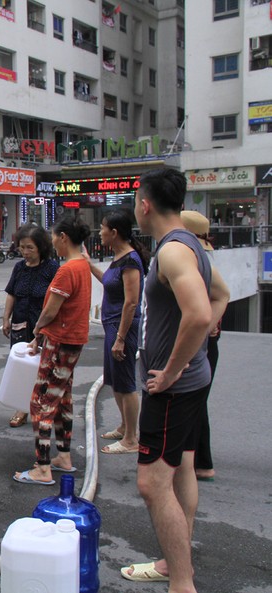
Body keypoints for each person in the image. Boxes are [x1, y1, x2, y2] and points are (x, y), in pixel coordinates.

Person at [120, 169, 229, 590]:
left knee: (151, 483)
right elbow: (219, 297)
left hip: (173, 387)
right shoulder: (191, 246)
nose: (135, 208)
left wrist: (173, 368)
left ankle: (182, 582)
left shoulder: (172, 253)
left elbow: (201, 313)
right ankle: (173, 565)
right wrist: (194, 350)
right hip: (191, 380)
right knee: (182, 467)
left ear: (145, 205)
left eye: (135, 201)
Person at [13, 215, 92, 486]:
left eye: (54, 236)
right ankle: (64, 457)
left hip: (60, 341)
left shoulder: (67, 270)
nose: (53, 242)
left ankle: (43, 467)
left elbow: (50, 310)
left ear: (63, 238)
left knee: (41, 403)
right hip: (72, 339)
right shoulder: (82, 264)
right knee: (63, 400)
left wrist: (37, 332)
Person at [85, 209, 151, 454]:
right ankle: (125, 426)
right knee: (115, 381)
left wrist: (121, 339)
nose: (99, 232)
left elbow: (131, 302)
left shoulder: (131, 260)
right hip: (112, 325)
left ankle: (132, 439)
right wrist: (90, 265)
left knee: (125, 383)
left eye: (102, 228)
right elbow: (110, 284)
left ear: (114, 232)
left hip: (123, 327)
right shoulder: (119, 256)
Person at [1, 224, 59, 428]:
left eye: (30, 248)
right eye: (22, 247)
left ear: (41, 247)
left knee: (44, 369)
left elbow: (56, 300)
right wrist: (6, 318)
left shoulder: (52, 268)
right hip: (20, 323)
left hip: (43, 325)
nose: (25, 252)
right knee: (21, 367)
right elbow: (11, 293)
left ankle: (43, 408)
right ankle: (22, 407)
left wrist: (45, 328)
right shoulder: (19, 268)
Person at [181, 211, 224, 482]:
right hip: (205, 341)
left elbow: (205, 309)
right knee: (196, 401)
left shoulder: (196, 262)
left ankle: (200, 462)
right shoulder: (205, 259)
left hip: (201, 342)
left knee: (192, 402)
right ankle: (198, 461)